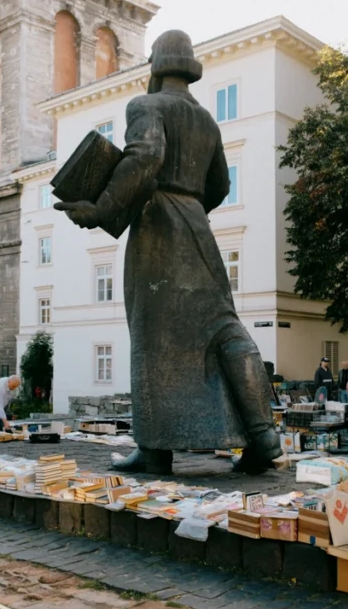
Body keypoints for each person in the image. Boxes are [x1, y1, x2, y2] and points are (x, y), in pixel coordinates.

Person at [54, 30, 280, 476]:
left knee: (152, 338)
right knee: (223, 327)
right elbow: (220, 186)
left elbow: (145, 157)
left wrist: (101, 208)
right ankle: (262, 434)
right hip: (199, 228)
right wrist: (192, 207)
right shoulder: (208, 122)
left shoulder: (146, 107)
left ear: (156, 67)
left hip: (159, 230)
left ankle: (154, 451)